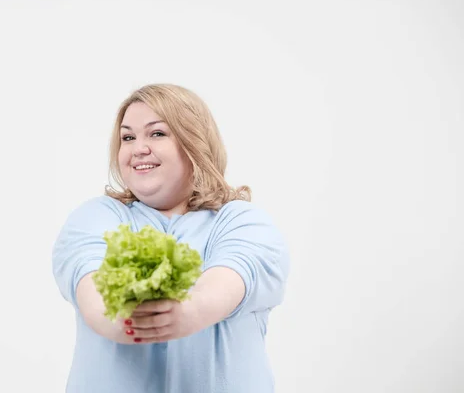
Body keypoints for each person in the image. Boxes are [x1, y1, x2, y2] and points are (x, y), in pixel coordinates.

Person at [52, 83, 290, 393]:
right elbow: (94, 297)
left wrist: (188, 311)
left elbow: (229, 280)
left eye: (157, 133)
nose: (138, 148)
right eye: (128, 137)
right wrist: (128, 316)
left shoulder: (242, 221)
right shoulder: (96, 217)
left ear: (194, 142)